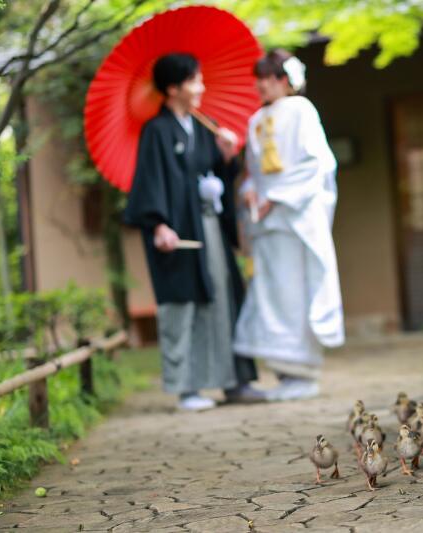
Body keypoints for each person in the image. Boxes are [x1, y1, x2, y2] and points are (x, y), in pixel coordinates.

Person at [124, 53, 261, 410]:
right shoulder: (157, 131)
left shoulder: (205, 127)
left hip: (210, 226)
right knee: (183, 305)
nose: (201, 87)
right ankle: (187, 388)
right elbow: (149, 182)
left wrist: (227, 157)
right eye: (194, 80)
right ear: (173, 88)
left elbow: (217, 175)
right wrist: (158, 224)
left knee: (224, 297)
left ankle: (234, 381)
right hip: (178, 234)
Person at [233, 49, 345, 401]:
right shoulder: (255, 120)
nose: (262, 85)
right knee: (272, 294)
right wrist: (251, 192)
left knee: (296, 292)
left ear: (285, 80)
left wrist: (277, 196)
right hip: (266, 223)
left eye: (269, 78)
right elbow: (254, 172)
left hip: (294, 219)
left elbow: (316, 164)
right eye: (259, 79)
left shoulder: (301, 110)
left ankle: (304, 372)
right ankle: (284, 372)